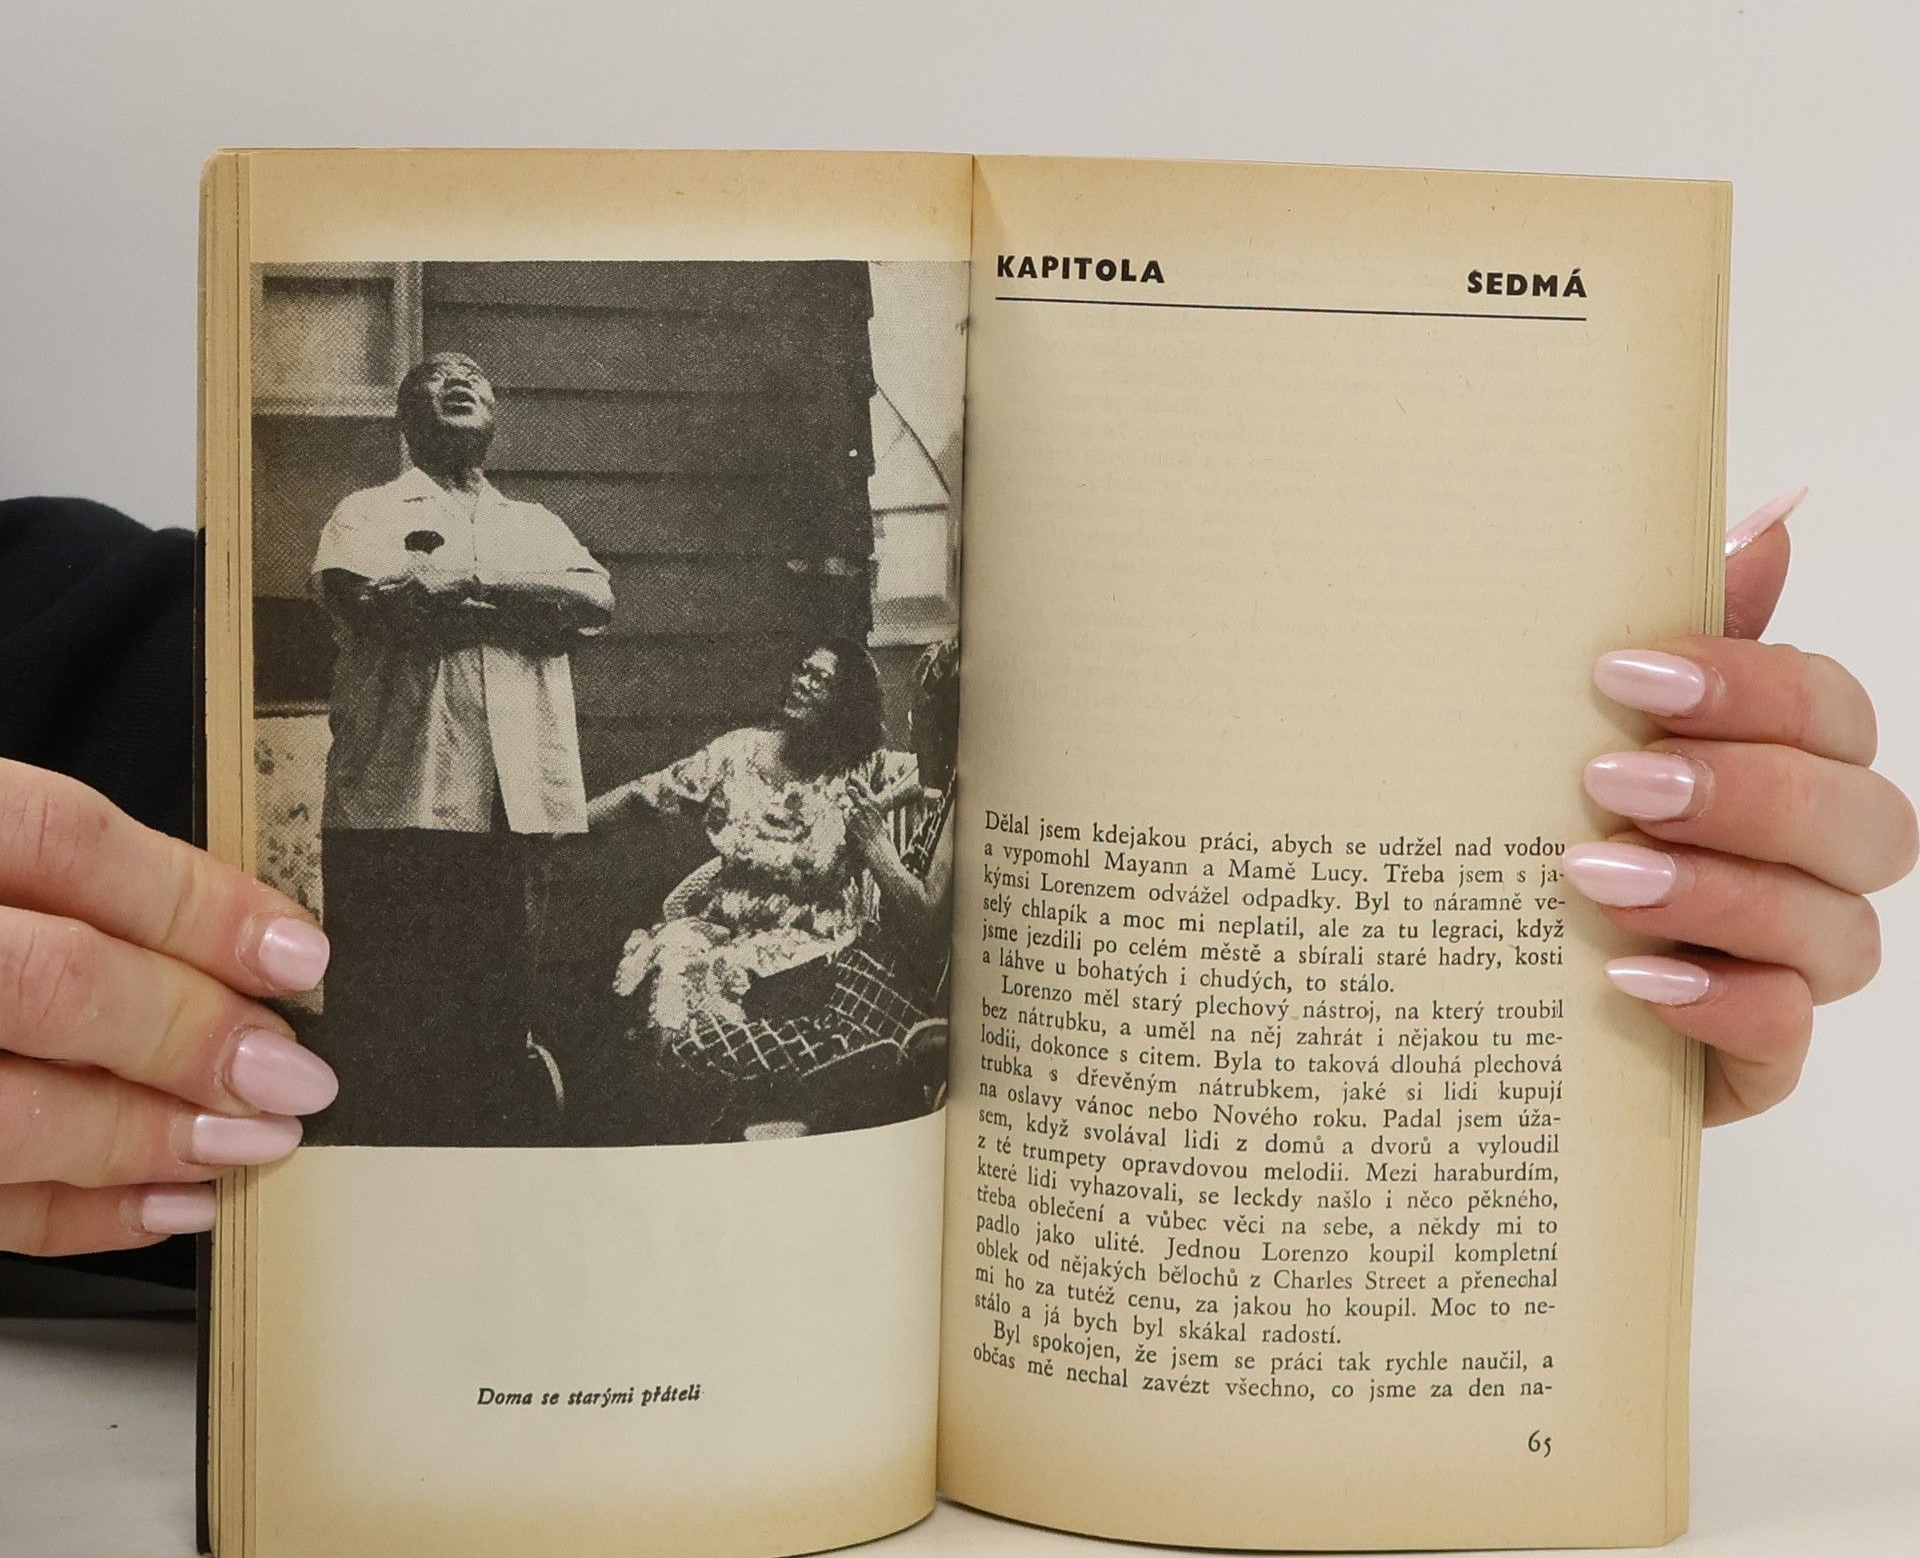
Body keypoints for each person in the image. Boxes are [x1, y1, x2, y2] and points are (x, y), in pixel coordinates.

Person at [0, 491, 1914, 1252]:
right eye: (794, 681)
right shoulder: (728, 757)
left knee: (862, 1027)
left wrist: (1442, 901)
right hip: (697, 943)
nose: (803, 696)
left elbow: (939, 918)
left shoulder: (896, 779)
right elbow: (610, 818)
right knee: (682, 989)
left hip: (850, 959)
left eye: (827, 682)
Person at [311, 351, 613, 1144]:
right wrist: (524, 611)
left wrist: (468, 583)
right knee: (387, 1023)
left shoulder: (535, 524)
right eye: (436, 377)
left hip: (508, 811)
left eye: (473, 377)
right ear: (406, 418)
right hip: (395, 807)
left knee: (495, 1023)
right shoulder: (367, 513)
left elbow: (592, 600)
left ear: (495, 414)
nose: (458, 382)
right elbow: (380, 608)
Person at [660, 638, 961, 1132]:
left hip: (875, 990)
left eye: (921, 717)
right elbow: (929, 775)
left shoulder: (951, 798)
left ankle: (777, 1110)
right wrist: (887, 803)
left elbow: (927, 923)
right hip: (843, 967)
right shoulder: (947, 782)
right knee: (698, 1008)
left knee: (710, 1042)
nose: (911, 724)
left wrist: (875, 844)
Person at [590, 640, 908, 1048]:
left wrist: (887, 802)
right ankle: (679, 1073)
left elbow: (936, 769)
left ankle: (720, 1067)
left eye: (820, 679)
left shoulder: (863, 769)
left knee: (724, 975)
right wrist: (565, 824)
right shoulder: (738, 752)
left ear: (847, 702)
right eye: (801, 670)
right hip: (722, 924)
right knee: (672, 962)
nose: (802, 683)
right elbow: (646, 794)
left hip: (809, 941)